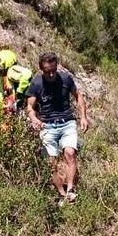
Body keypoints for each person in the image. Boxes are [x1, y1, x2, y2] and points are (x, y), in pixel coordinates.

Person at [26, 52, 89, 204]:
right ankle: (61, 194)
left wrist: (83, 117)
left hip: (67, 121)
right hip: (47, 124)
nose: (52, 74)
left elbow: (78, 96)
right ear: (42, 69)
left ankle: (71, 190)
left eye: (54, 69)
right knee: (51, 162)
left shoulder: (65, 78)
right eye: (48, 71)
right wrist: (34, 118)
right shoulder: (36, 83)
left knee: (70, 153)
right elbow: (29, 106)